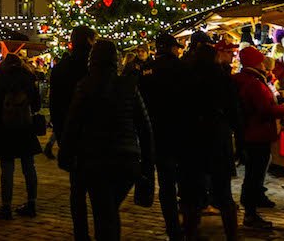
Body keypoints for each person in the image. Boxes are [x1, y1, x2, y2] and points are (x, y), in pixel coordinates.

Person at [59, 39, 154, 241]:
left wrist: (66, 153)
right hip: (127, 159)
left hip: (96, 159)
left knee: (106, 213)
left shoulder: (85, 86)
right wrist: (146, 165)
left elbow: (73, 123)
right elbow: (145, 128)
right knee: (109, 211)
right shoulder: (128, 86)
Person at [181, 43, 240, 241]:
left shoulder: (187, 78)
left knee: (192, 190)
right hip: (217, 137)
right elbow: (234, 110)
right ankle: (231, 234)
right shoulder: (222, 78)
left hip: (192, 138)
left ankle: (191, 231)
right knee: (223, 190)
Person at [232, 46, 284, 229]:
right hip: (256, 134)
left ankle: (254, 203)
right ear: (255, 62)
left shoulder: (247, 79)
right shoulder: (253, 83)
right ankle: (250, 213)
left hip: (252, 133)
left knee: (255, 172)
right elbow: (264, 110)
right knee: (254, 174)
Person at [47, 26, 96, 231]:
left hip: (71, 132)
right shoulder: (94, 67)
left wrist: (60, 134)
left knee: (77, 190)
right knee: (99, 192)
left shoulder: (61, 68)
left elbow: (55, 105)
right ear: (89, 40)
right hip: (95, 134)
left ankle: (81, 233)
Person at [139, 32, 185, 241]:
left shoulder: (146, 70)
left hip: (156, 132)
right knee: (185, 179)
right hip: (181, 132)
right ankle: (187, 221)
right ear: (171, 48)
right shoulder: (181, 68)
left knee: (166, 184)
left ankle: (173, 226)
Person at [0, 53, 42, 219]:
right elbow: (37, 104)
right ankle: (32, 203)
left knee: (7, 168)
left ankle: (6, 206)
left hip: (6, 127)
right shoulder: (27, 78)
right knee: (29, 166)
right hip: (25, 125)